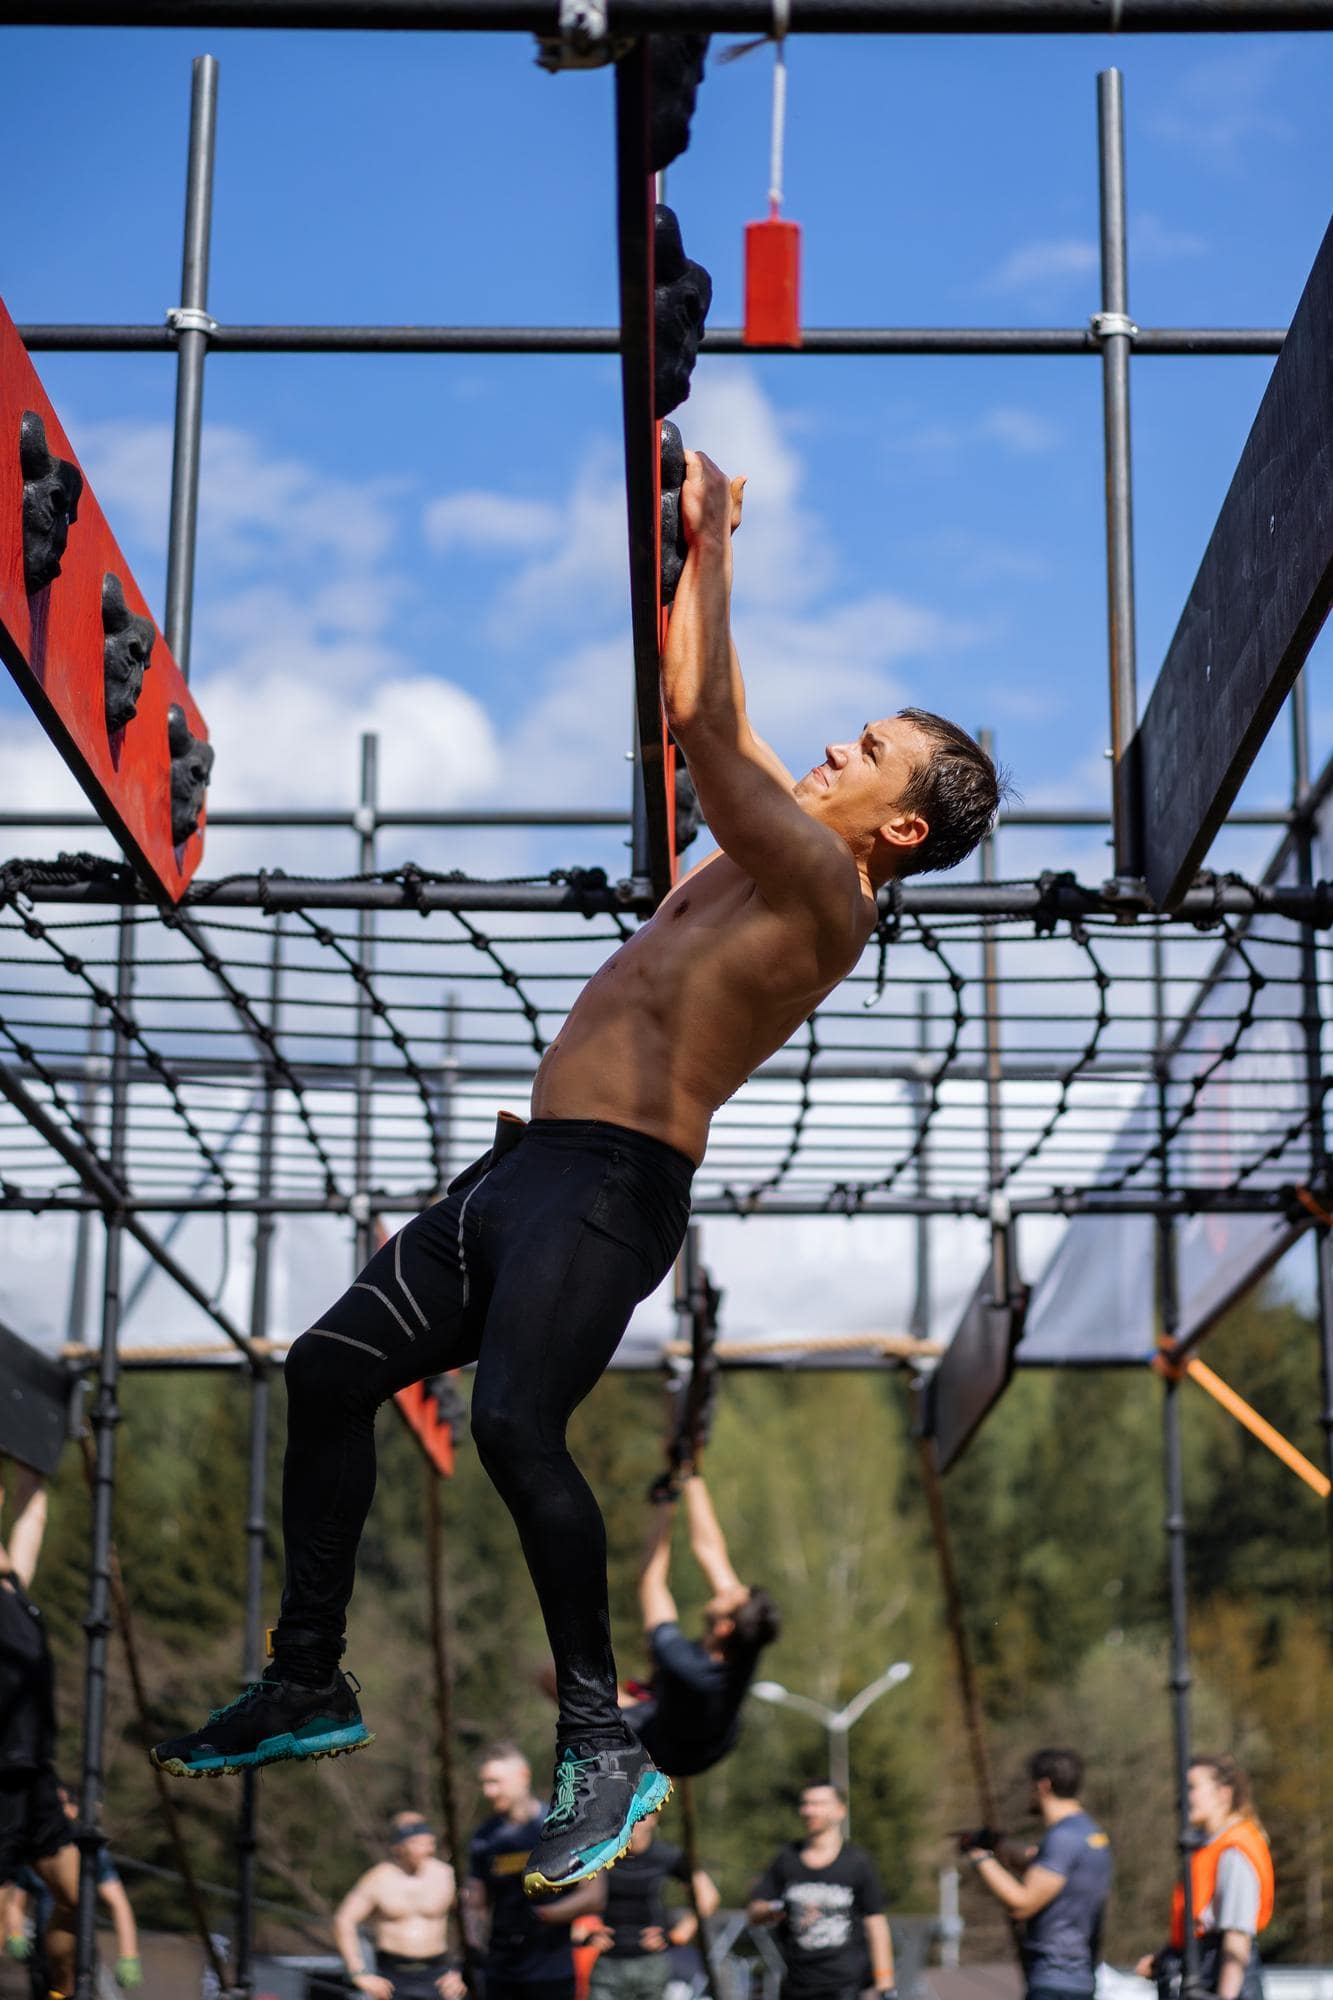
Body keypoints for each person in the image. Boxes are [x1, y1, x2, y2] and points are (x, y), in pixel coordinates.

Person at [152, 447, 1003, 1897]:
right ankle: (308, 1678)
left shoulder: (822, 892)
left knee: (514, 1431)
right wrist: (681, 552)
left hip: (612, 1188)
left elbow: (696, 722)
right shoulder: (763, 850)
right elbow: (715, 709)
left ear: (901, 829)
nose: (832, 748)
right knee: (329, 1371)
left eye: (863, 750)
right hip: (518, 1174)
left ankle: (601, 1744)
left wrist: (717, 544)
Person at [623, 1475, 779, 1777]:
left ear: (724, 1628)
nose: (725, 1588)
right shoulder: (749, 1637)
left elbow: (651, 1580)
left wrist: (664, 1505)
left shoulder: (686, 1664)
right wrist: (691, 1476)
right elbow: (710, 1551)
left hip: (670, 1751)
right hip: (710, 1727)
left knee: (574, 1695)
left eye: (730, 1594)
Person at [0, 1463, 79, 1999]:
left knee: (77, 1897)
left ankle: (60, 1991)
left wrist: (34, 1450)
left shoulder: (15, 1589)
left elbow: (33, 1512)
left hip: (35, 1773)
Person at [964, 1748, 1112, 2000]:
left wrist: (980, 1857)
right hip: (1079, 1978)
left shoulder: (1062, 1838)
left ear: (1043, 1786)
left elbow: (1022, 1903)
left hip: (1054, 1980)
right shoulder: (1089, 1834)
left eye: (1030, 1786)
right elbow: (1041, 1865)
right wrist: (999, 1845)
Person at [467, 1744, 608, 2000]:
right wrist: (473, 1944)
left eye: (496, 1782)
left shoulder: (561, 1828)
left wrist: (543, 1915)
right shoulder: (483, 1838)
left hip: (551, 1969)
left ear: (523, 1775)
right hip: (501, 1970)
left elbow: (594, 1895)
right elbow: (476, 1902)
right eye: (484, 1783)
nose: (489, 1792)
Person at [1135, 1755, 1273, 2000]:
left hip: (1221, 1979)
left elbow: (1237, 1937)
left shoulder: (1235, 1851)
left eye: (1192, 1788)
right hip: (1204, 1970)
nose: (1184, 1797)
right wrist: (1164, 1958)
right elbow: (1200, 1920)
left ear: (1223, 1794)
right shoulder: (1207, 1847)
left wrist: (1224, 1996)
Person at [748, 1783, 895, 2000]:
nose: (809, 1810)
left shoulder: (857, 1862)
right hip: (796, 1983)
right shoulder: (786, 1858)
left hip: (847, 1986)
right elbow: (754, 1912)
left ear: (840, 1810)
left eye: (818, 1803)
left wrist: (885, 1985)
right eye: (805, 1804)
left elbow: (876, 1925)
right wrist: (774, 1909)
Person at [5, 1784, 141, 1995]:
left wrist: (129, 1955)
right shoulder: (34, 1853)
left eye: (59, 1805)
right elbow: (16, 1900)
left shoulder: (90, 1854)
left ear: (73, 1809)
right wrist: (16, 1934)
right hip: (44, 1951)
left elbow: (119, 1904)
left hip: (80, 1949)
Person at [333, 1812, 465, 2000]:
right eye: (416, 1842)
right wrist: (359, 1973)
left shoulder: (445, 1876)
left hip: (438, 1975)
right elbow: (344, 1920)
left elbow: (472, 1919)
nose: (425, 1848)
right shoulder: (379, 1878)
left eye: (428, 1842)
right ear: (400, 1846)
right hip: (392, 1976)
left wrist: (462, 1969)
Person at [588, 1819, 718, 2000]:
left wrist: (678, 1935)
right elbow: (572, 1894)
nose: (635, 1822)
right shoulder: (599, 1854)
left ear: (655, 1818)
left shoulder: (667, 1855)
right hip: (606, 1963)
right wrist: (586, 1931)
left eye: (642, 1816)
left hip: (650, 1965)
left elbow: (708, 1897)